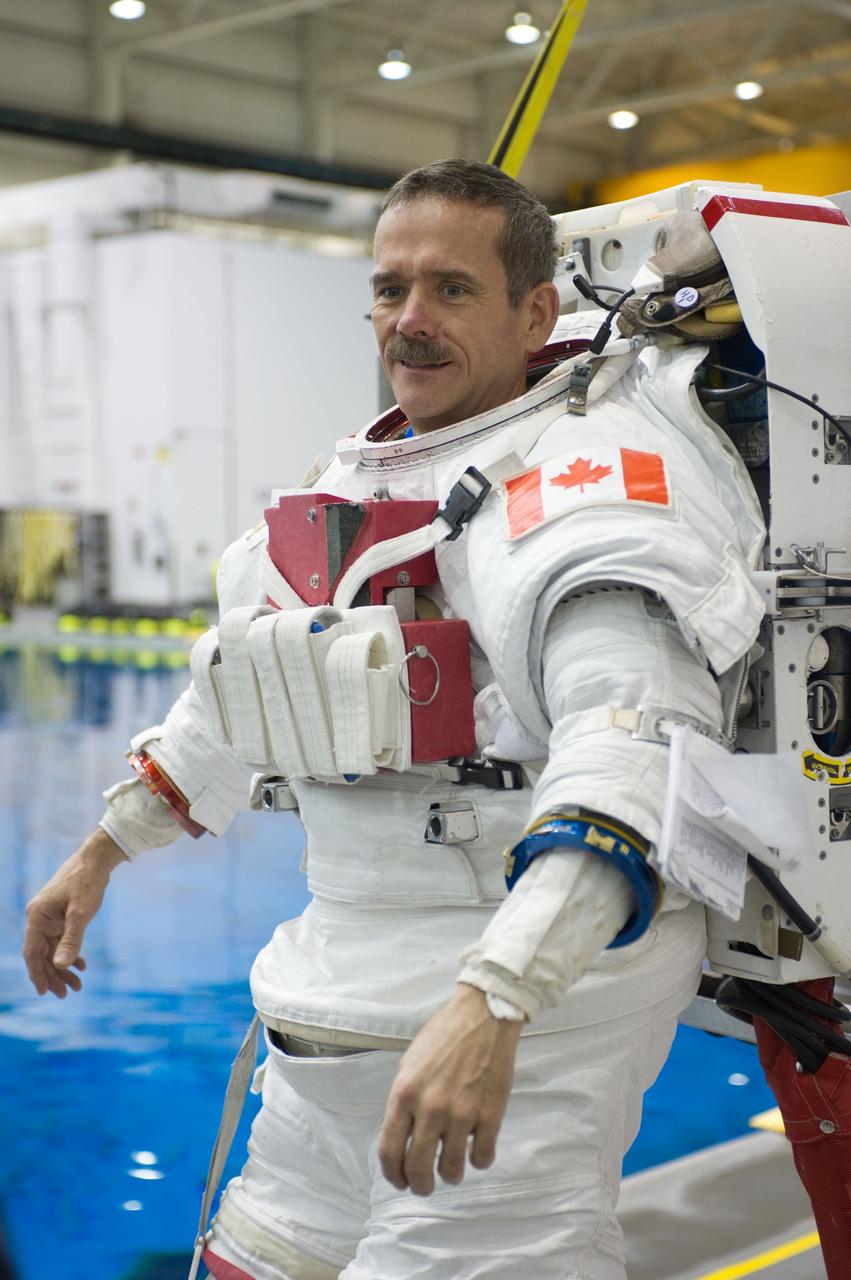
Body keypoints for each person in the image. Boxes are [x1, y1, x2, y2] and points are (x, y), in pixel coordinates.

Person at [23, 159, 765, 1279]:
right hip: (332, 1014)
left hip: (511, 1039)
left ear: (533, 312)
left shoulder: (588, 490)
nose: (407, 320)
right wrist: (101, 848)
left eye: (449, 290)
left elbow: (631, 761)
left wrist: (495, 999)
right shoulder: (358, 481)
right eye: (388, 288)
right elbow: (245, 687)